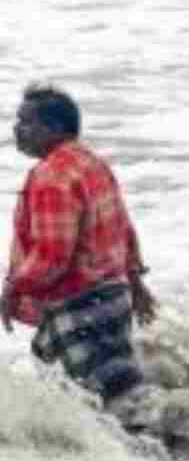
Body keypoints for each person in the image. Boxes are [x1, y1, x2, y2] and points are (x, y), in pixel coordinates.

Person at [4, 85, 157, 409]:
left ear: (55, 129)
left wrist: (11, 288)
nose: (16, 129)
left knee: (106, 409)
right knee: (122, 398)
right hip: (113, 300)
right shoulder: (91, 163)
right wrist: (136, 282)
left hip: (78, 308)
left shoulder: (51, 177)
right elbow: (123, 227)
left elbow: (52, 256)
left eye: (26, 122)